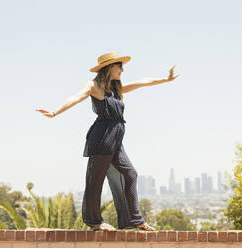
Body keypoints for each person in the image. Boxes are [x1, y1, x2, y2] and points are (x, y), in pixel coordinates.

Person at [36, 51, 179, 231]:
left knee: (130, 174)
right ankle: (95, 221)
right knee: (96, 180)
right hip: (103, 138)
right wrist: (55, 112)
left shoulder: (116, 88)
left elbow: (142, 82)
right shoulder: (94, 86)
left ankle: (134, 220)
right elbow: (76, 97)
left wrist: (166, 79)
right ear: (110, 67)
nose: (122, 70)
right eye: (120, 66)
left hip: (116, 140)